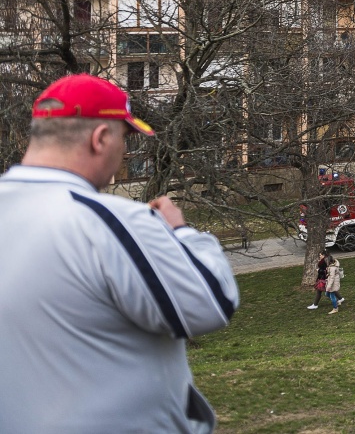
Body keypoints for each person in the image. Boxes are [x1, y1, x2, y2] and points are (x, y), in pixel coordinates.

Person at [0, 74, 240, 432]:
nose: (125, 152)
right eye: (125, 139)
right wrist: (182, 232)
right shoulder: (108, 220)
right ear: (100, 139)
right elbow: (211, 304)